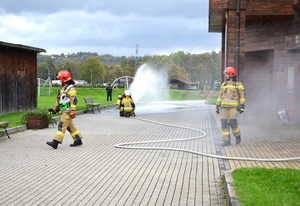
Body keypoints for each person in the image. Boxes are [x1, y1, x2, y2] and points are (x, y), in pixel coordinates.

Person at [46, 70, 83, 149]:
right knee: (70, 127)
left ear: (64, 80)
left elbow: (74, 100)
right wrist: (55, 109)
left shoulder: (71, 89)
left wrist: (72, 111)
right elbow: (59, 100)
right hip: (64, 110)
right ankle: (78, 140)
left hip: (68, 111)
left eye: (60, 79)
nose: (60, 81)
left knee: (61, 125)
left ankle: (55, 142)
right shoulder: (63, 89)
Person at [216, 66, 245, 146]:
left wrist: (242, 106)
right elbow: (220, 96)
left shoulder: (238, 85)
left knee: (233, 123)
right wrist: (217, 106)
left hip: (233, 108)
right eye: (225, 74)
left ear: (232, 74)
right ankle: (226, 141)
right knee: (224, 124)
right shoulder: (223, 85)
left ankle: (237, 135)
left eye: (227, 74)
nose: (225, 76)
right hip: (224, 108)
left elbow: (242, 96)